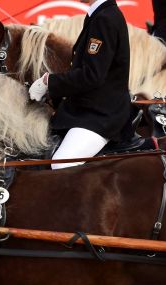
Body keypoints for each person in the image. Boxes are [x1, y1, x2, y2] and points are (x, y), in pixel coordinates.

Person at [27, 0, 132, 169]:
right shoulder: (99, 15)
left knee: (61, 164)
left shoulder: (105, 18)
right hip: (86, 110)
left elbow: (92, 75)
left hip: (101, 115)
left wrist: (49, 82)